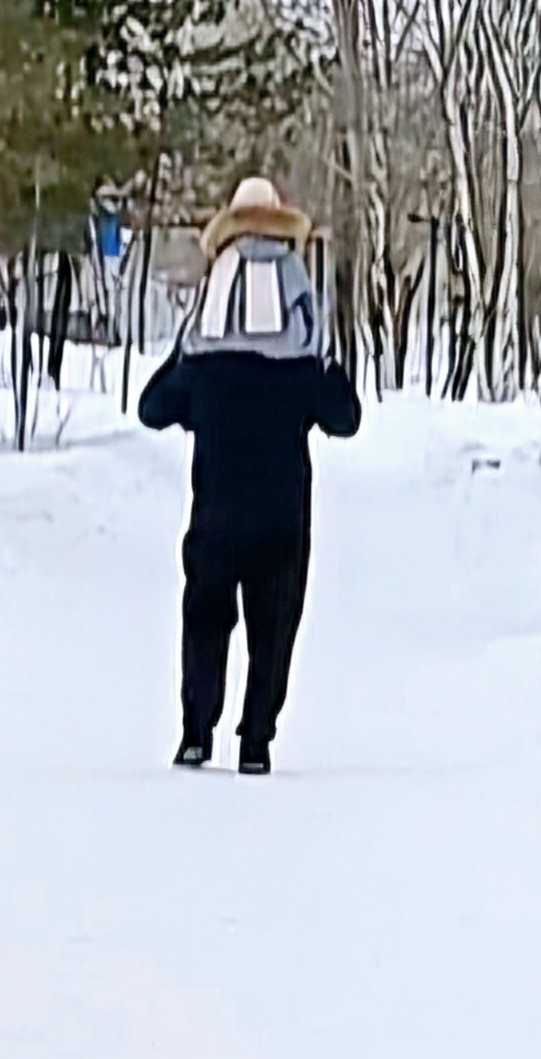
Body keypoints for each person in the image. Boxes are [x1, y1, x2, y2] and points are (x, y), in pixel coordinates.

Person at [137, 178, 361, 776]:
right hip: (283, 517)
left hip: (214, 513)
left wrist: (187, 351)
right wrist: (324, 361)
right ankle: (256, 739)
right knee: (274, 626)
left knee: (205, 619)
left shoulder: (206, 357)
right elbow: (346, 419)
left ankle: (196, 732)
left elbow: (152, 408)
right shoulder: (301, 353)